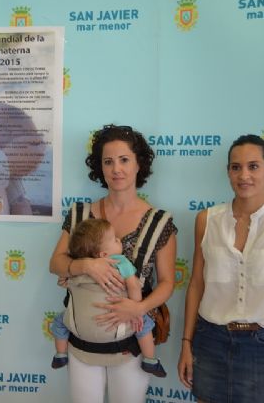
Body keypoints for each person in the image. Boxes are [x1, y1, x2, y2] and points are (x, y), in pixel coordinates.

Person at [49, 124, 177, 403]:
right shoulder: (80, 213)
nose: (116, 169)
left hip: (131, 342)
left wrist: (139, 307)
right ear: (100, 167)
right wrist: (85, 266)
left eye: (124, 160)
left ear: (139, 164)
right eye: (108, 161)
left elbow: (168, 281)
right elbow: (56, 263)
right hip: (82, 340)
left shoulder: (160, 222)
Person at [177, 134, 264, 403]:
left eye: (253, 166)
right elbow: (196, 286)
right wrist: (186, 345)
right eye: (236, 167)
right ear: (228, 172)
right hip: (210, 340)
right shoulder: (206, 220)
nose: (244, 175)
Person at [50, 218, 166, 377]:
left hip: (80, 330)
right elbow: (133, 286)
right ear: (103, 254)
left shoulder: (77, 264)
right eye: (115, 239)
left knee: (59, 322)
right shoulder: (121, 262)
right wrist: (136, 309)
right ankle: (150, 359)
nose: (120, 240)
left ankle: (60, 354)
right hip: (119, 329)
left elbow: (64, 281)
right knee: (144, 324)